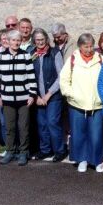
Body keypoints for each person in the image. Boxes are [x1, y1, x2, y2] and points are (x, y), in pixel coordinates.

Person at [60, 33, 103, 172]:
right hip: (77, 104)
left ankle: (97, 160)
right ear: (80, 46)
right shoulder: (73, 59)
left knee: (96, 135)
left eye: (91, 46)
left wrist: (102, 97)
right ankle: (82, 160)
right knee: (79, 134)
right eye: (86, 46)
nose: (89, 49)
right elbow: (64, 80)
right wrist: (71, 94)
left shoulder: (101, 60)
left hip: (96, 104)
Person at [0, 29, 37, 166]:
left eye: (18, 40)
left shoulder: (26, 56)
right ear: (8, 41)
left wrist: (32, 94)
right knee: (9, 127)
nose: (16, 42)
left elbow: (31, 76)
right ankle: (10, 151)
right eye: (13, 40)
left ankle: (23, 152)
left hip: (23, 99)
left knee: (23, 127)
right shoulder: (0, 56)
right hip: (7, 99)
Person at [31, 28, 66, 162]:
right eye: (37, 40)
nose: (40, 42)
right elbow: (29, 76)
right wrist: (36, 96)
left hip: (53, 96)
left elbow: (60, 76)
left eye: (42, 39)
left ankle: (59, 150)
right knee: (42, 124)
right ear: (34, 41)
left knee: (52, 122)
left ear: (47, 39)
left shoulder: (55, 53)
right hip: (38, 96)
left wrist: (48, 95)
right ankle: (45, 150)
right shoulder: (32, 54)